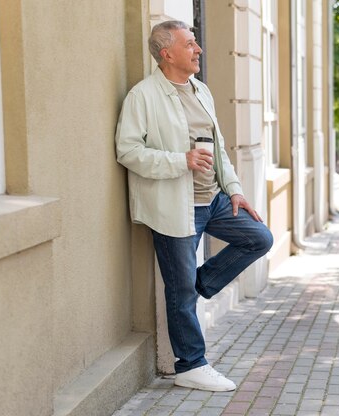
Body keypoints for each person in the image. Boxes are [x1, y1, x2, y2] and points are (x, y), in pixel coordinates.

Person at [115, 20, 273, 392]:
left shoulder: (201, 90)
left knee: (259, 238)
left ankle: (196, 284)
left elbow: (217, 148)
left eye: (197, 42)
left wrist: (234, 189)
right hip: (174, 206)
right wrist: (180, 161)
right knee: (179, 290)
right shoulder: (143, 96)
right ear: (167, 53)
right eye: (190, 44)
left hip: (214, 200)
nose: (198, 49)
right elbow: (128, 150)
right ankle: (190, 365)